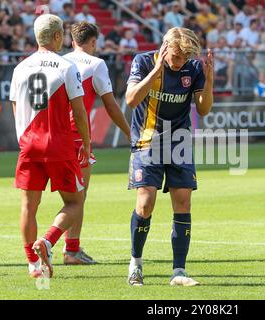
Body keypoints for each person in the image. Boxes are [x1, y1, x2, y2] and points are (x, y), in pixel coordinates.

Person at [125, 27, 214, 286]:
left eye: (183, 59)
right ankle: (136, 264)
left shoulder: (193, 69)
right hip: (147, 140)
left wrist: (208, 80)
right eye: (175, 57)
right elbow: (131, 99)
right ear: (164, 48)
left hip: (179, 141)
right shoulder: (143, 62)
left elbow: (204, 110)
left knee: (183, 202)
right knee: (145, 203)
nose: (178, 63)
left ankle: (179, 271)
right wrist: (155, 73)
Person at [9, 13, 91, 278]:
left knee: (28, 206)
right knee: (75, 202)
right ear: (57, 36)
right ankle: (47, 240)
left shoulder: (20, 68)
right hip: (58, 145)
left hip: (29, 146)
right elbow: (79, 112)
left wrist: (24, 139)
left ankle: (33, 264)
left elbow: (15, 108)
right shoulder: (66, 67)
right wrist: (86, 144)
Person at [63, 21, 131, 264]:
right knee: (79, 197)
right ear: (93, 42)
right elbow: (111, 105)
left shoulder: (61, 61)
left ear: (72, 42)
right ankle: (69, 249)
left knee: (39, 198)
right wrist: (128, 131)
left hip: (54, 135)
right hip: (79, 137)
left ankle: (38, 252)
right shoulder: (97, 64)